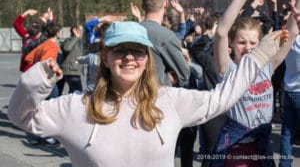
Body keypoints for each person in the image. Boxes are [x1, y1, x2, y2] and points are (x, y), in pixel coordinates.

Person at [8, 20, 285, 167]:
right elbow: (21, 116)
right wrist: (37, 81)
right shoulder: (76, 107)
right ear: (105, 57)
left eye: (138, 50)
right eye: (120, 50)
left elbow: (221, 98)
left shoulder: (169, 101)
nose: (130, 57)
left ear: (147, 58)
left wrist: (256, 56)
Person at [211, 0, 294, 167]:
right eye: (241, 42)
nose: (248, 47)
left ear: (260, 45)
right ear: (232, 44)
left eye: (253, 43)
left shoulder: (267, 66)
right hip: (237, 149)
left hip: (263, 147)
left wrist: (297, 9)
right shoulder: (228, 69)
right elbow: (221, 32)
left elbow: (289, 37)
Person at [140, 0, 190, 87]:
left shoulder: (131, 31)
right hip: (157, 97)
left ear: (142, 6)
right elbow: (184, 75)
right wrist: (165, 78)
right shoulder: (166, 36)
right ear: (166, 4)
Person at [279, 0, 300, 167]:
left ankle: (284, 163)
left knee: (287, 134)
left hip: (289, 91)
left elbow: (289, 27)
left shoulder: (288, 41)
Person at [57, 25, 84, 95]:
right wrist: (75, 37)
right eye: (79, 30)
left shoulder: (79, 41)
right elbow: (67, 48)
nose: (81, 32)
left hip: (75, 71)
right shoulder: (68, 40)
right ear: (75, 31)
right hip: (71, 71)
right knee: (77, 93)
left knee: (73, 94)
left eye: (82, 30)